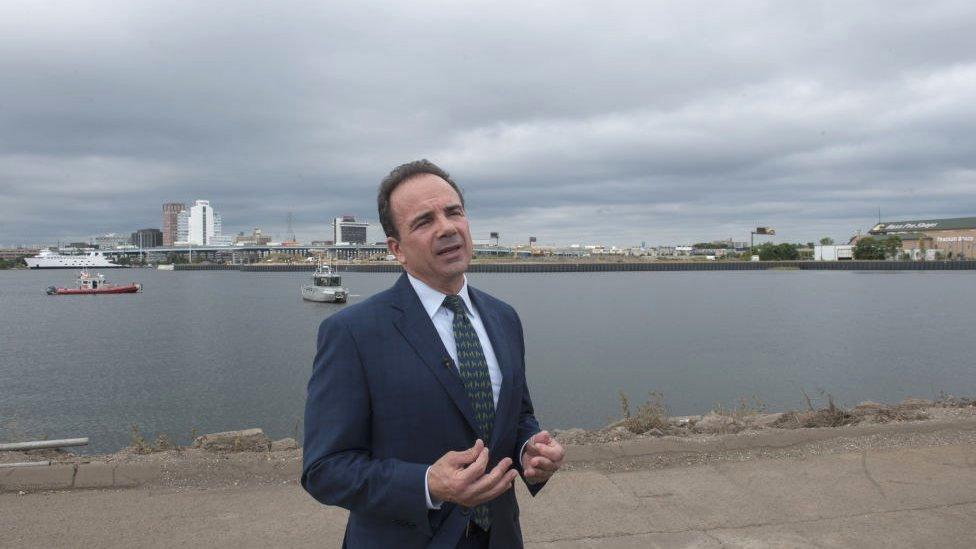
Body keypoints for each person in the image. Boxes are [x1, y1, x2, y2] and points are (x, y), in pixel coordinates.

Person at [302, 160, 564, 548]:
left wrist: (530, 450)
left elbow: (518, 414)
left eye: (453, 212)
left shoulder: (504, 318)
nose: (446, 227)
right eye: (423, 221)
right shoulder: (352, 333)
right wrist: (428, 484)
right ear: (397, 250)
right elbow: (324, 469)